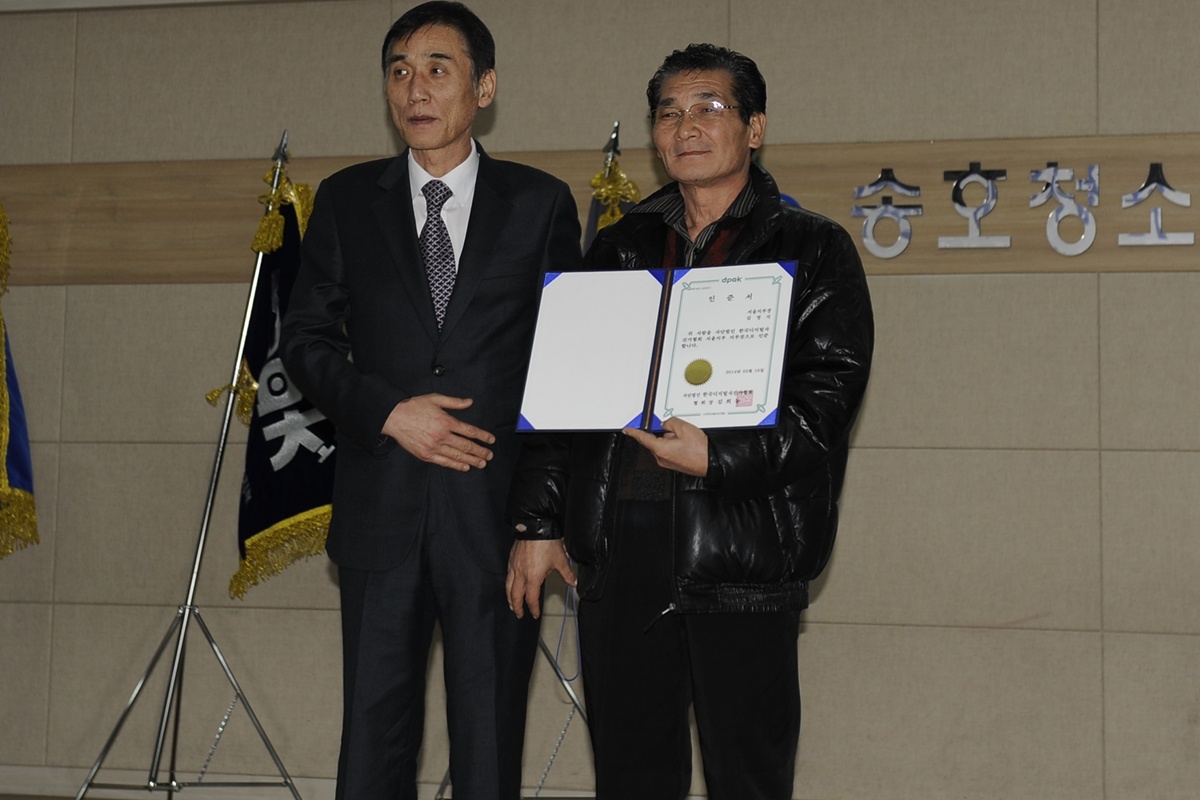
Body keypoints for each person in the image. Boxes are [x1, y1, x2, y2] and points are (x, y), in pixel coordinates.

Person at [505, 43, 873, 800]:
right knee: (631, 777)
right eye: (668, 112)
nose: (686, 127)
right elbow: (561, 399)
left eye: (708, 107)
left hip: (742, 546)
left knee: (748, 776)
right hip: (620, 549)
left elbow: (825, 407)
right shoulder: (620, 246)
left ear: (754, 127)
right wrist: (537, 523)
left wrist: (719, 457)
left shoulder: (812, 247)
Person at [281, 3, 581, 799]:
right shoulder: (347, 199)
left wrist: (542, 521)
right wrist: (387, 410)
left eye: (437, 69)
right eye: (399, 71)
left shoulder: (540, 203)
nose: (415, 89)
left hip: (495, 520)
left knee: (487, 745)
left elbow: (563, 373)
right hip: (381, 510)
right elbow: (304, 340)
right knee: (372, 744)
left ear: (484, 87)